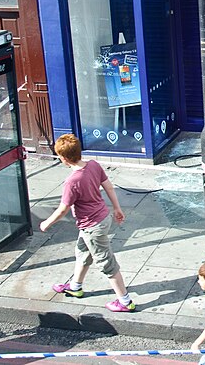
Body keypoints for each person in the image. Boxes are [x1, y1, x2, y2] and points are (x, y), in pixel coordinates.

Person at [40, 133, 135, 312]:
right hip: (102, 218)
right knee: (83, 252)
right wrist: (117, 208)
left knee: (107, 263)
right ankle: (75, 287)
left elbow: (63, 209)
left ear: (64, 158)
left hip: (92, 226)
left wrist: (47, 223)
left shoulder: (71, 181)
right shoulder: (93, 165)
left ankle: (125, 301)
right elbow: (108, 186)